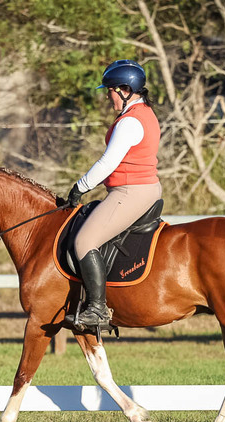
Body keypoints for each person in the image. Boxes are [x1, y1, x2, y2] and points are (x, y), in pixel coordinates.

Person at [66, 59, 162, 330]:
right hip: (142, 188)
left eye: (109, 90)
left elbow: (108, 163)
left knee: (85, 241)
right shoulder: (143, 113)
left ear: (124, 89)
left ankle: (97, 310)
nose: (108, 96)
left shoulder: (130, 122)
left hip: (131, 191)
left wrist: (80, 187)